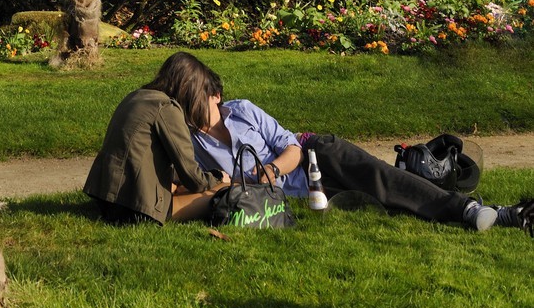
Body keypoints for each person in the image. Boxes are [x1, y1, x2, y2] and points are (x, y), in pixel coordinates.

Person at [161, 50, 533, 234]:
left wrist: (270, 170)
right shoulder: (189, 141)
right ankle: (491, 211)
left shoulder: (241, 110)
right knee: (384, 202)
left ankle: (476, 211)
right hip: (295, 196)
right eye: (201, 103)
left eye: (211, 97)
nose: (212, 104)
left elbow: (289, 144)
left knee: (381, 179)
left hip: (315, 158)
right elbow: (188, 184)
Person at [84, 61, 229, 225]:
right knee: (224, 192)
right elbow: (195, 181)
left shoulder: (135, 96)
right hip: (136, 208)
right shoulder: (166, 107)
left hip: (106, 200)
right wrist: (217, 177)